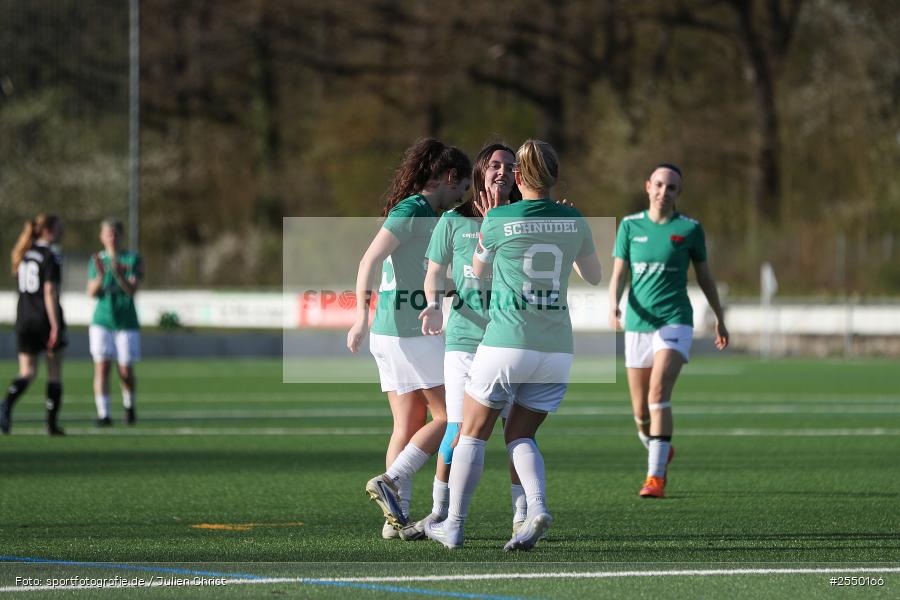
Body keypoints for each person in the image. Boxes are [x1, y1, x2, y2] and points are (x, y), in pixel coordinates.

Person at [424, 139, 603, 551]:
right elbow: (593, 276)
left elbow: (477, 270)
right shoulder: (574, 218)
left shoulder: (499, 218)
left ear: (519, 176)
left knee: (471, 432)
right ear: (555, 177)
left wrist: (491, 228)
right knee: (521, 434)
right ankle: (534, 509)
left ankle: (453, 524)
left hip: (506, 341)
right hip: (556, 350)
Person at [347, 138, 471, 539]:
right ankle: (390, 481)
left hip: (393, 332)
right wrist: (359, 318)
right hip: (408, 331)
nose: (462, 197)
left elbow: (420, 274)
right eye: (463, 187)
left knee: (408, 422)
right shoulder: (413, 209)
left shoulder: (426, 214)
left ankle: (394, 518)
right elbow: (369, 259)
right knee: (451, 417)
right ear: (450, 177)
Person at [399, 143, 524, 540]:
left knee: (516, 432)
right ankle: (440, 513)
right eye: (495, 165)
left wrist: (557, 216)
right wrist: (434, 305)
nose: (503, 172)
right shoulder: (453, 220)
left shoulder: (524, 219)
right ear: (480, 172)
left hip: (511, 340)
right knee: (456, 429)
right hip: (465, 340)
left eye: (511, 166)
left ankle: (522, 515)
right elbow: (434, 274)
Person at [608, 163, 728, 499]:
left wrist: (719, 317)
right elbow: (619, 275)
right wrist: (613, 305)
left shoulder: (689, 229)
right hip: (638, 324)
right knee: (641, 412)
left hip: (675, 321)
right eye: (659, 185)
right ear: (648, 186)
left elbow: (705, 276)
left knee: (658, 394)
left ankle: (655, 478)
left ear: (678, 193)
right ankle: (659, 446)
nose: (664, 192)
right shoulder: (630, 226)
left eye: (671, 187)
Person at [1, 214, 67, 436]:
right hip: (45, 319)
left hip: (24, 318)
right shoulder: (50, 256)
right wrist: (55, 325)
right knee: (54, 372)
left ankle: (6, 405)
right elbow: (49, 291)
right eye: (58, 228)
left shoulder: (25, 254)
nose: (62, 232)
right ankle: (51, 424)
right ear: (47, 230)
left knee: (27, 372)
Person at [87, 218, 144, 426]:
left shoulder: (132, 259)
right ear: (101, 237)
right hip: (102, 320)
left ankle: (129, 406)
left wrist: (119, 274)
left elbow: (132, 290)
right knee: (102, 368)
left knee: (125, 370)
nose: (111, 238)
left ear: (121, 236)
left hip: (126, 321)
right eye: (107, 234)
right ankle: (104, 414)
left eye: (115, 234)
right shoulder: (96, 260)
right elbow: (91, 292)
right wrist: (101, 276)